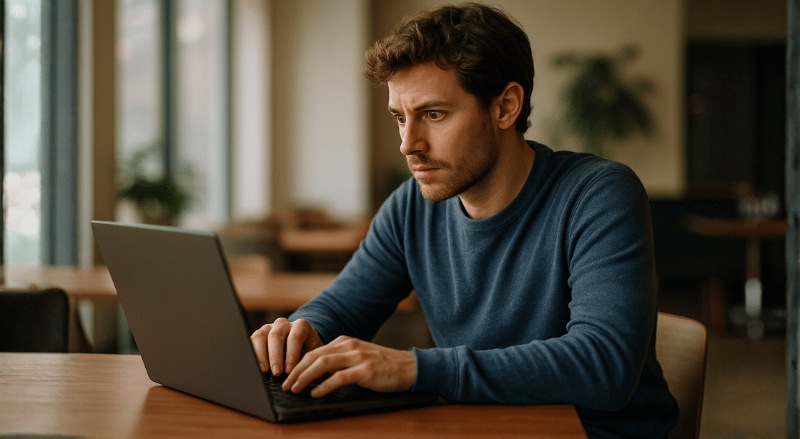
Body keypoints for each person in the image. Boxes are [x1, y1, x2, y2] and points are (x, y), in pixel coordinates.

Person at [251, 3, 679, 437]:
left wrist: (416, 368)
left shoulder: (598, 194)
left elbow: (604, 366)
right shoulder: (410, 207)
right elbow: (343, 305)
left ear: (505, 107)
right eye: (401, 118)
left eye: (433, 115)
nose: (407, 145)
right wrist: (303, 331)